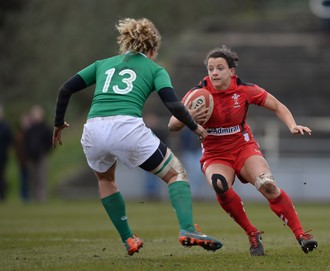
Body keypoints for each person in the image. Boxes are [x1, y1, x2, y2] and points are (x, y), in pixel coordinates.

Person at [52, 17, 223, 256]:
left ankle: (128, 240)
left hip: (93, 128)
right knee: (176, 174)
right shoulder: (154, 68)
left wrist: (59, 122)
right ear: (153, 50)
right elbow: (173, 104)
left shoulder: (103, 64)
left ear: (126, 44)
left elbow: (65, 89)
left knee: (106, 181)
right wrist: (195, 127)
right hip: (126, 126)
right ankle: (187, 228)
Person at [168, 45, 318, 256]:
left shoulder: (245, 89)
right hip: (215, 154)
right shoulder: (199, 93)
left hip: (243, 148)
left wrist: (292, 125)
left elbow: (277, 105)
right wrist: (189, 117)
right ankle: (251, 232)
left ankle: (301, 235)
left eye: (220, 68)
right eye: (211, 68)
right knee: (219, 185)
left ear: (232, 71)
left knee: (268, 185)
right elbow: (172, 125)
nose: (214, 73)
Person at [24, 105, 53, 202]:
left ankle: (42, 197)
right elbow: (25, 141)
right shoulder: (29, 128)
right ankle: (33, 196)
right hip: (31, 155)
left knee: (41, 177)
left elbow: (50, 141)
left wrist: (46, 151)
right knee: (32, 177)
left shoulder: (45, 127)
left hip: (41, 155)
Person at [15, 112, 32, 202]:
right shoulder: (19, 133)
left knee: (31, 179)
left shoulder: (31, 133)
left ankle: (32, 196)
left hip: (30, 159)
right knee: (23, 180)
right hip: (22, 160)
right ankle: (24, 197)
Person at [0, 104, 13, 202]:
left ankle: (2, 195)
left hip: (2, 156)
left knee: (2, 176)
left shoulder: (5, 126)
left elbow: (10, 140)